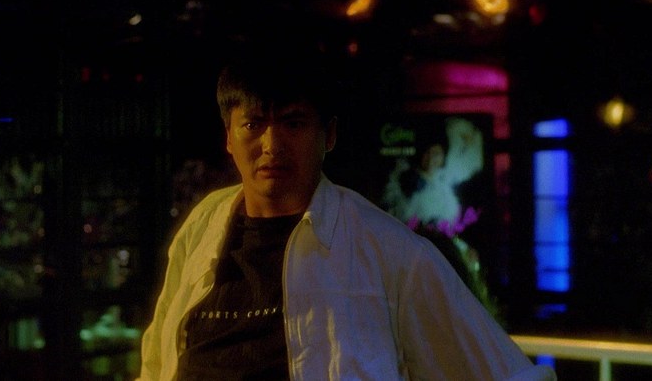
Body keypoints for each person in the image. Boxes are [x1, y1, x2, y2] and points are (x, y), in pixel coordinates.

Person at [136, 41, 556, 380]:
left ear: (330, 134)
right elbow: (157, 363)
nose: (271, 145)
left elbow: (504, 374)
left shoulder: (388, 250)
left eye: (293, 123)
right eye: (253, 124)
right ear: (229, 136)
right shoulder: (203, 226)